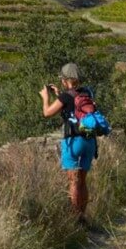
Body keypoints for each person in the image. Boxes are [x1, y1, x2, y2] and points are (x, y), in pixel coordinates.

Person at [39, 63, 96, 222]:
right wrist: (59, 93)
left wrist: (46, 98)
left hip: (73, 141)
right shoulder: (87, 92)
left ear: (65, 80)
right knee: (83, 181)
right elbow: (72, 110)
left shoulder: (65, 97)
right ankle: (82, 217)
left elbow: (47, 113)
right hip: (89, 140)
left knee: (73, 181)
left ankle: (75, 219)